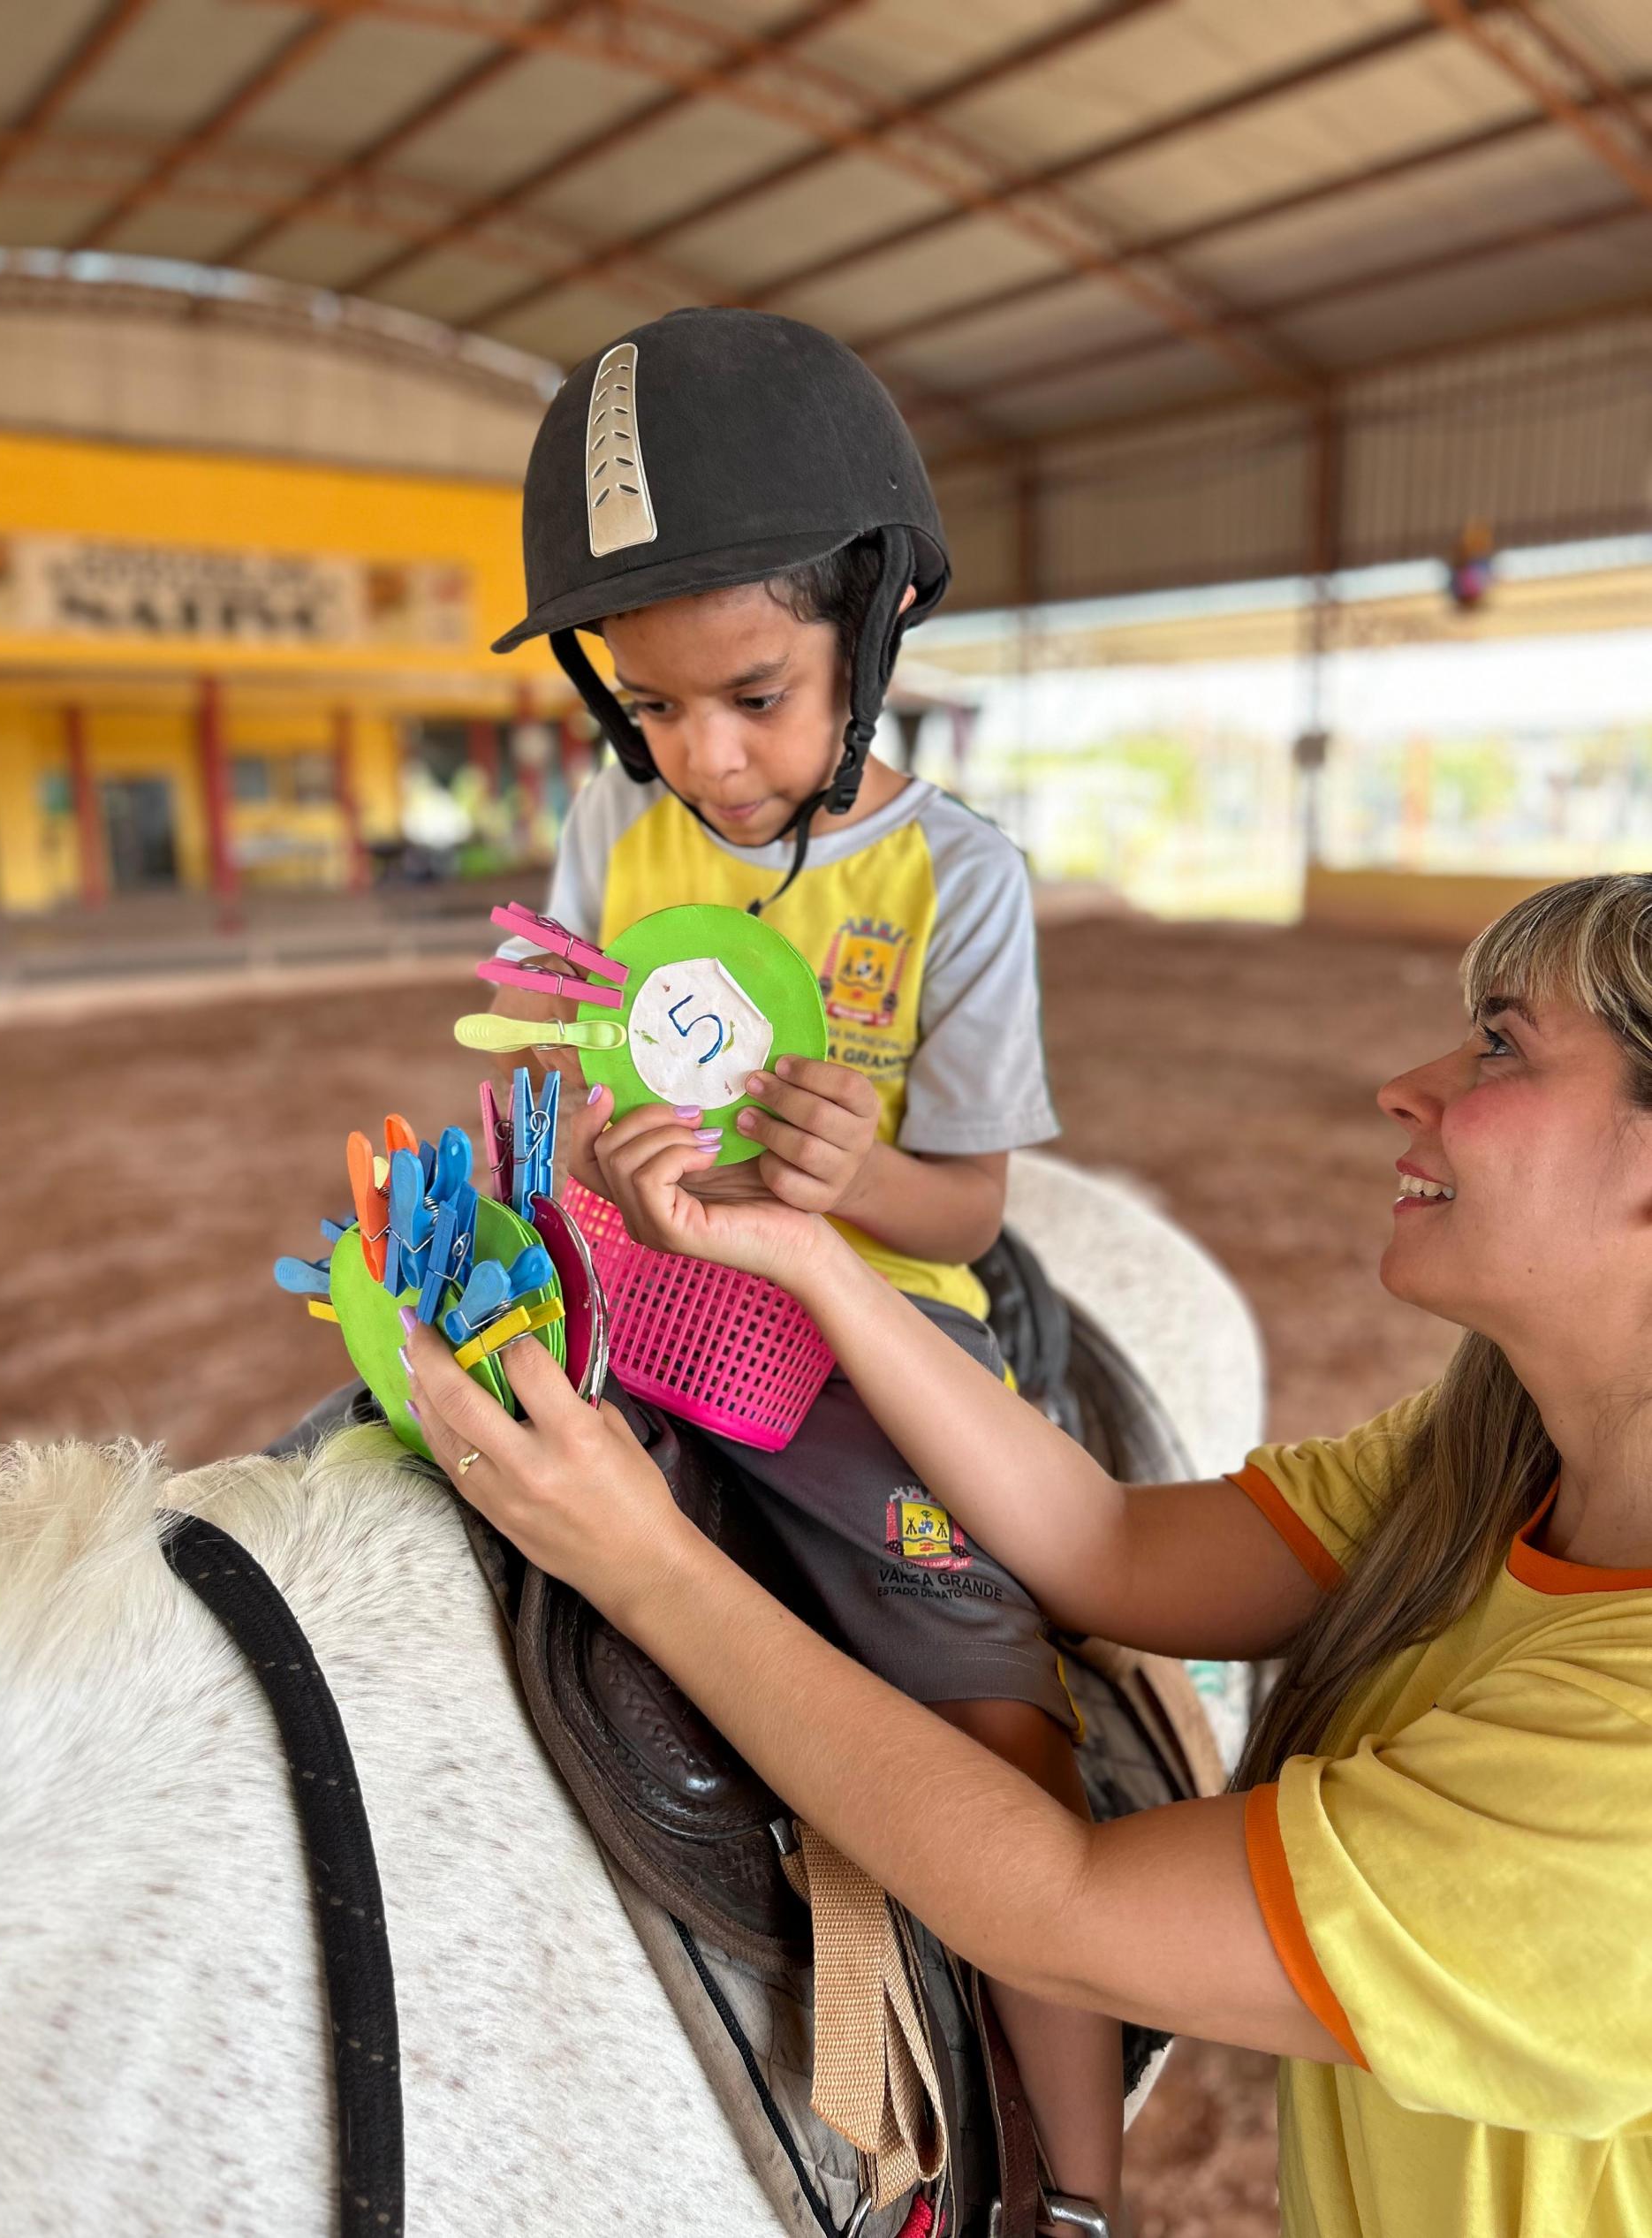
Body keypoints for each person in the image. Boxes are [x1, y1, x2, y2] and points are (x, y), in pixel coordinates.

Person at [407, 872, 1652, 2238]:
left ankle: (1066, 2204)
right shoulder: (1495, 1455)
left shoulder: (1628, 1772)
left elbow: (1064, 1905)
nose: (1404, 1089)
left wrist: (645, 1564)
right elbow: (1106, 1545)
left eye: (1500, 1045)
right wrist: (807, 1257)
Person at [485, 307, 1121, 2227]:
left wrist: (853, 1182)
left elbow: (968, 1212)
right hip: (630, 1291)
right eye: (651, 704)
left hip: (860, 1341)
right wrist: (583, 1147)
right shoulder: (613, 821)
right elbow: (555, 1065)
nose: (702, 754)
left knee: (999, 1734)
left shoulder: (957, 883)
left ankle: (1073, 2194)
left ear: (874, 618)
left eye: (753, 693)